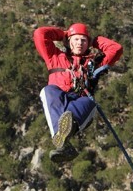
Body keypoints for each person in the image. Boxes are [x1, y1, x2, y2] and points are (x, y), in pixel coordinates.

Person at [33, 23, 123, 163]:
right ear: (69, 42)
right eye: (75, 39)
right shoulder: (55, 56)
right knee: (47, 91)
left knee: (89, 103)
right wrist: (63, 34)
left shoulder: (94, 62)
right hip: (59, 99)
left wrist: (94, 40)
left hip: (81, 102)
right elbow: (40, 34)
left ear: (88, 43)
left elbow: (116, 49)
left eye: (83, 40)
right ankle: (62, 138)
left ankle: (64, 134)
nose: (80, 43)